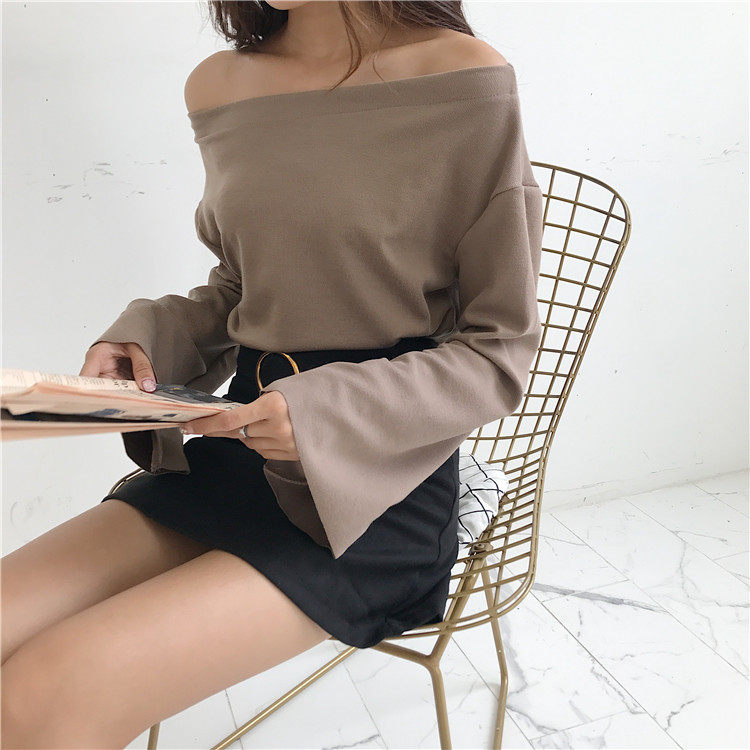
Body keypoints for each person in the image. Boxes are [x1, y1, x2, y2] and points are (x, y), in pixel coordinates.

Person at [1, 1, 543, 747]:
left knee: (45, 693)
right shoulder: (220, 86)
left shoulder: (463, 78)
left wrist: (322, 415)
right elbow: (242, 287)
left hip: (377, 490)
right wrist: (148, 340)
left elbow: (498, 350)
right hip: (239, 450)